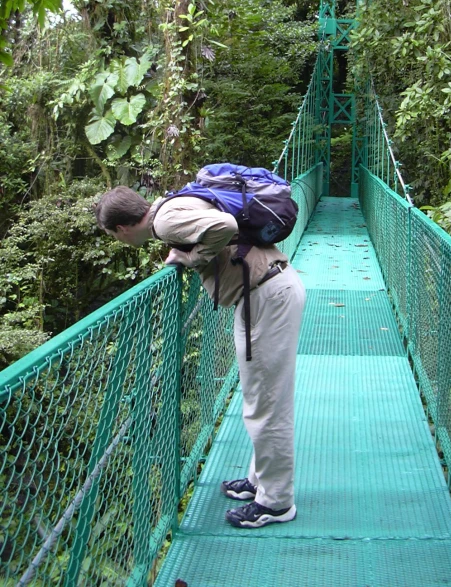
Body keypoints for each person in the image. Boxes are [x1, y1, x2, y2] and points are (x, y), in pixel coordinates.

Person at [95, 184, 306, 528]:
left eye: (115, 237)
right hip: (264, 293)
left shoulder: (165, 222)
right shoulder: (173, 205)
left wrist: (191, 258)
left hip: (267, 296)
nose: (121, 242)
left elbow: (225, 226)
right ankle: (260, 481)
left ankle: (277, 502)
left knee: (267, 404)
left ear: (122, 228)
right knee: (260, 400)